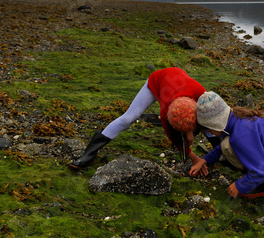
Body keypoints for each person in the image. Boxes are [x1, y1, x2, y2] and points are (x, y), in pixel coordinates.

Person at [70, 67, 210, 176]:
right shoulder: (166, 109)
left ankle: (221, 150)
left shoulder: (202, 94)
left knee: (207, 121)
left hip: (180, 83)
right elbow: (173, 137)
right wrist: (194, 157)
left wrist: (190, 134)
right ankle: (90, 152)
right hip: (157, 81)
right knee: (127, 119)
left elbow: (215, 118)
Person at [190, 91, 264, 199]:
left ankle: (263, 188)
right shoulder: (240, 117)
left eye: (210, 130)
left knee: (227, 146)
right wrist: (204, 161)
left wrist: (240, 185)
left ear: (216, 125)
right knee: (227, 143)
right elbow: (219, 148)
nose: (211, 133)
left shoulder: (239, 136)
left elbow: (263, 171)